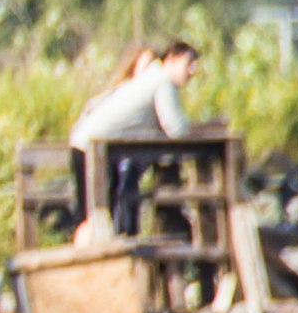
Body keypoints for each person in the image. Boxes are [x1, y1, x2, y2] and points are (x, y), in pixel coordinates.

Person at [70, 37, 206, 237]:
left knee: (95, 215)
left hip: (88, 145)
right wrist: (206, 132)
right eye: (189, 63)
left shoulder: (150, 78)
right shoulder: (162, 81)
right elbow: (176, 129)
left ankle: (97, 247)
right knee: (94, 217)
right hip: (93, 149)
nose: (192, 71)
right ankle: (90, 252)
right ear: (171, 59)